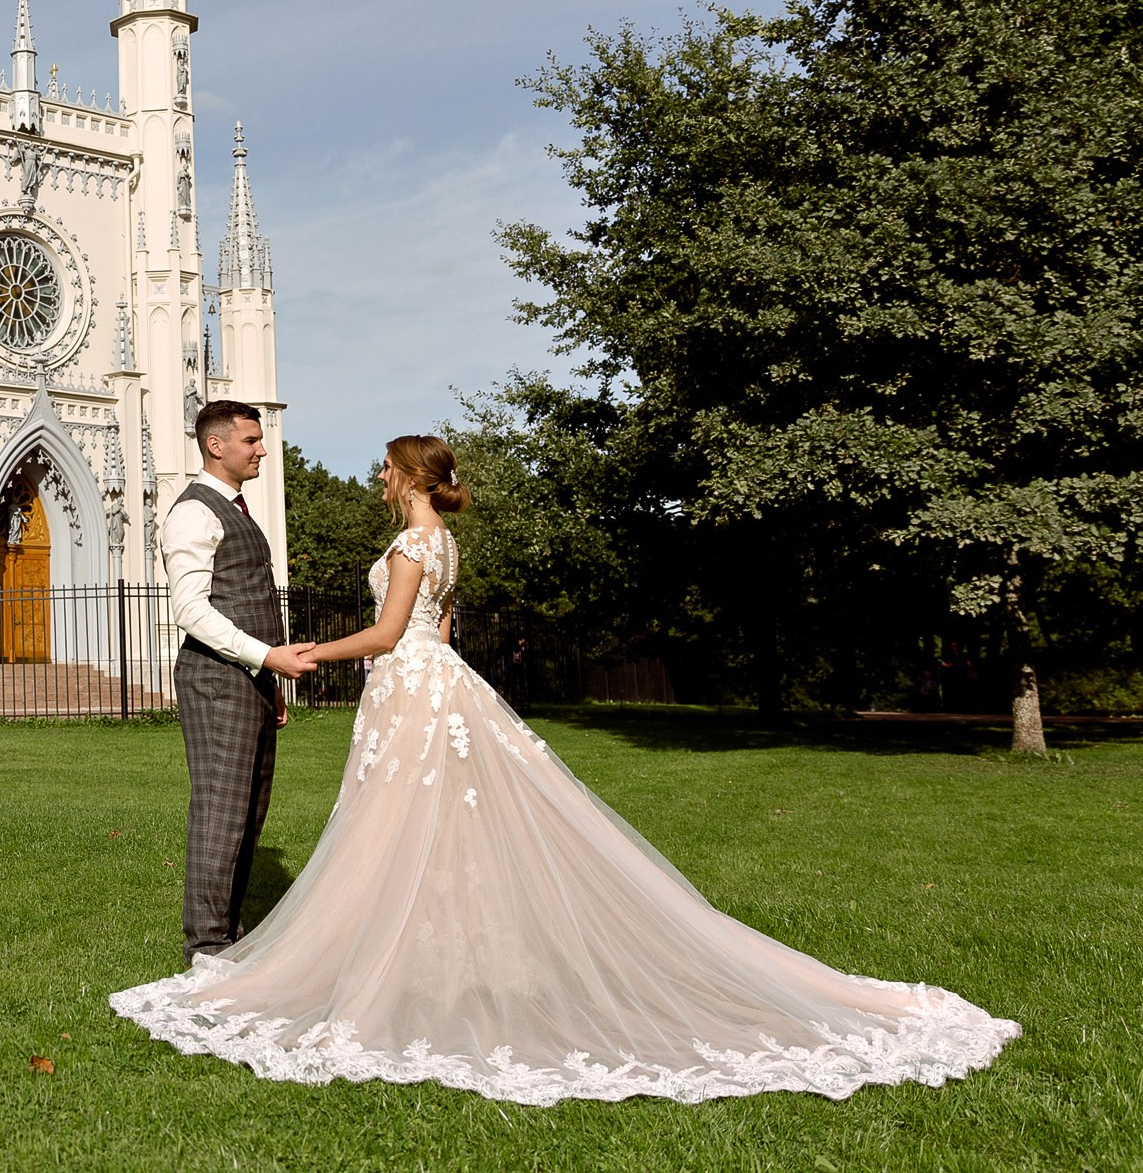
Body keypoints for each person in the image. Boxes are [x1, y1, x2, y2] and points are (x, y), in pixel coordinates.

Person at [114, 433, 1019, 1105]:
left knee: (397, 825)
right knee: (429, 828)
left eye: (387, 468)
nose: (378, 478)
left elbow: (392, 634)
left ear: (410, 478)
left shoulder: (407, 545)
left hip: (408, 684)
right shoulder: (445, 545)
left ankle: (397, 964)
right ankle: (438, 956)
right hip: (433, 683)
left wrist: (308, 650)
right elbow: (440, 627)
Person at [159, 400, 324, 962]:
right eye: (251, 440)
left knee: (251, 809)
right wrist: (268, 657)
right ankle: (206, 946)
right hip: (214, 680)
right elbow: (191, 610)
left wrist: (268, 680)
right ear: (216, 445)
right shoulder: (193, 512)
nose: (262, 448)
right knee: (221, 808)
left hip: (249, 679)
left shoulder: (237, 508)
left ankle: (228, 933)